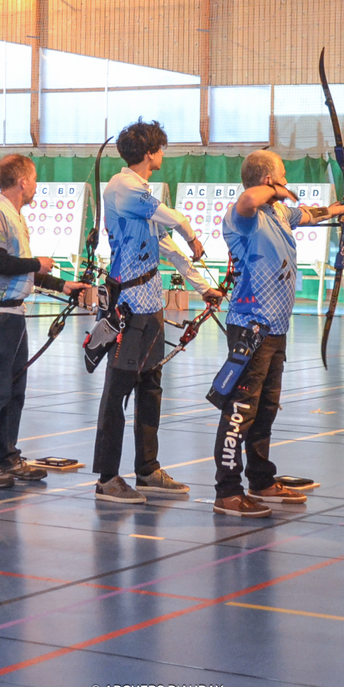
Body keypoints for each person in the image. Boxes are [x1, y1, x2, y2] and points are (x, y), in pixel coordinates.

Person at [212, 150, 344, 518]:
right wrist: (275, 191)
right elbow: (247, 199)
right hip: (250, 327)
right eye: (282, 176)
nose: (288, 182)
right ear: (268, 180)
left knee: (265, 409)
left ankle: (260, 480)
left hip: (276, 328)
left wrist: (337, 210)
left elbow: (308, 214)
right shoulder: (244, 216)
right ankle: (227, 491)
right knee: (241, 410)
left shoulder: (277, 213)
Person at [91, 120, 219, 505]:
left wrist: (201, 286)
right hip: (128, 306)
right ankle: (108, 478)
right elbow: (175, 221)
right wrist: (194, 235)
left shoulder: (142, 190)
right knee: (118, 391)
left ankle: (146, 469)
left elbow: (164, 245)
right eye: (161, 148)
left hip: (151, 304)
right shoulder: (123, 186)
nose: (163, 154)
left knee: (151, 387)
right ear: (150, 153)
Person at [0, 154, 91, 489]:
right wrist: (37, 263)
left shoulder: (15, 217)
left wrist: (63, 285)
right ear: (22, 181)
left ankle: (7, 456)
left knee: (15, 391)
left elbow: (22, 269)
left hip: (14, 312)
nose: (35, 185)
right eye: (34, 179)